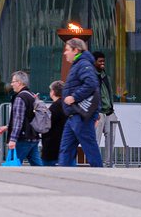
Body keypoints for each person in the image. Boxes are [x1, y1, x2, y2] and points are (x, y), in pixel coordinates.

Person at [58, 35, 104, 167]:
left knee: (89, 146)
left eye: (67, 50)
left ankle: (99, 171)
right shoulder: (78, 65)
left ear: (76, 50)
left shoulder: (83, 64)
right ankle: (62, 174)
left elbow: (91, 83)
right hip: (74, 115)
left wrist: (74, 97)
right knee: (66, 148)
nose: (65, 53)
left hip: (81, 115)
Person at [2, 69, 44, 166]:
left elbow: (18, 121)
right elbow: (27, 117)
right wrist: (8, 126)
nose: (11, 84)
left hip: (23, 138)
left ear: (19, 82)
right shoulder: (31, 95)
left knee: (13, 165)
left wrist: (12, 139)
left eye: (13, 82)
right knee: (38, 166)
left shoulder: (20, 98)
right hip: (33, 136)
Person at [40, 80, 69, 166]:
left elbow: (47, 122)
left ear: (53, 92)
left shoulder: (55, 106)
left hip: (52, 144)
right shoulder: (66, 105)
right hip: (63, 142)